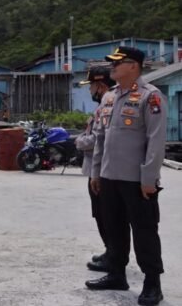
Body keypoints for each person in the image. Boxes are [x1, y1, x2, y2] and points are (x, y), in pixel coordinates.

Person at [86, 47, 166, 306]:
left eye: (117, 63)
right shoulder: (109, 97)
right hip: (109, 177)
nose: (112, 67)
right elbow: (100, 138)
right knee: (114, 228)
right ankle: (116, 274)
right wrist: (96, 172)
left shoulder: (150, 96)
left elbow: (156, 141)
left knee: (144, 231)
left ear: (134, 66)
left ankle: (152, 282)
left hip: (136, 179)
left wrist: (149, 178)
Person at [75, 66, 115, 273]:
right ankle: (111, 252)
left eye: (91, 86)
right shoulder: (103, 105)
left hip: (101, 170)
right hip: (96, 168)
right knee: (101, 214)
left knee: (106, 214)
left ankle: (114, 255)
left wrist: (80, 141)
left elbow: (99, 139)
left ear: (99, 85)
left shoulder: (106, 106)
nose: (90, 90)